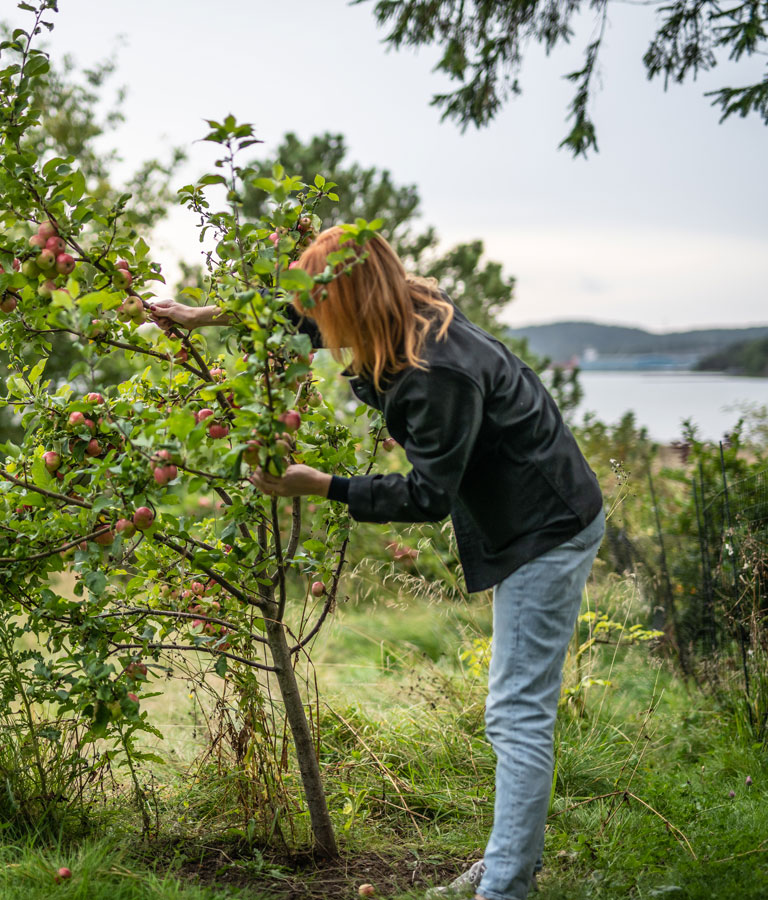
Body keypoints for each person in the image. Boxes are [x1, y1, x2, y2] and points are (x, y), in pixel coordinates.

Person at [148, 226, 604, 900]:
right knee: (514, 709)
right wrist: (200, 316)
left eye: (318, 299)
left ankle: (505, 886)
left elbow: (426, 496)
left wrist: (322, 484)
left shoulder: (435, 370)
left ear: (350, 297)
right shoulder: (406, 310)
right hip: (521, 513)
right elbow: (292, 316)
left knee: (516, 712)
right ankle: (512, 860)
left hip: (546, 527)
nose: (309, 317)